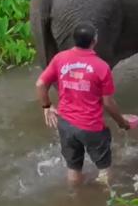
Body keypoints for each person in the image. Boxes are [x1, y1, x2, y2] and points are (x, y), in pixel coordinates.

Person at [35, 23, 130, 186]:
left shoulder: (60, 58)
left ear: (74, 40)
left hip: (65, 124)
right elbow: (108, 102)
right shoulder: (101, 67)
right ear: (94, 41)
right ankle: (106, 200)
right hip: (91, 126)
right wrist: (122, 122)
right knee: (104, 169)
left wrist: (47, 106)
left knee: (73, 168)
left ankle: (75, 197)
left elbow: (40, 84)